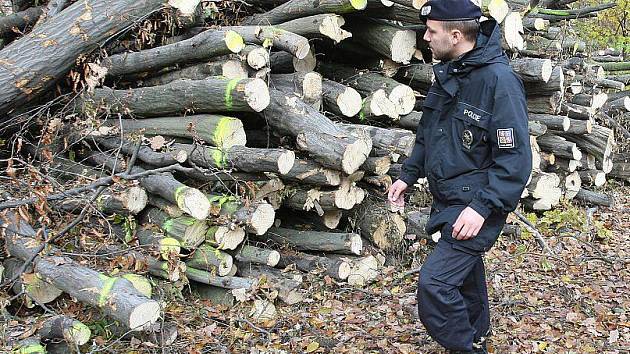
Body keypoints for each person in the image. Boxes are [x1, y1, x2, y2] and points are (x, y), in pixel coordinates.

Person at [387, 0, 532, 353]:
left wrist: (482, 208)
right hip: (450, 199)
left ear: (455, 35)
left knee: (435, 285)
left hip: (477, 204)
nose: (425, 38)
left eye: (431, 32)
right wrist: (408, 175)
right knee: (464, 277)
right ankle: (477, 336)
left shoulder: (499, 83)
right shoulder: (450, 72)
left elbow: (515, 161)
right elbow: (428, 132)